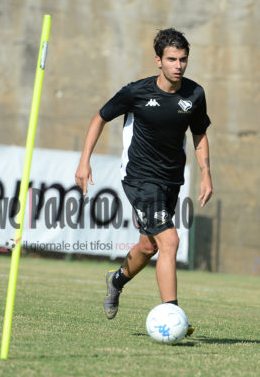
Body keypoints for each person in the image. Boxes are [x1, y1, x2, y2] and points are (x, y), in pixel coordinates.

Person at [74, 28, 213, 334]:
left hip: (171, 180)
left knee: (149, 246)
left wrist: (206, 173)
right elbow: (100, 117)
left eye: (183, 59)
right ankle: (173, 316)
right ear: (158, 60)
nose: (178, 65)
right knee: (170, 241)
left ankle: (116, 280)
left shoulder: (195, 94)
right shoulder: (136, 92)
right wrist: (84, 161)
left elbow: (199, 133)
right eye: (172, 59)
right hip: (139, 177)